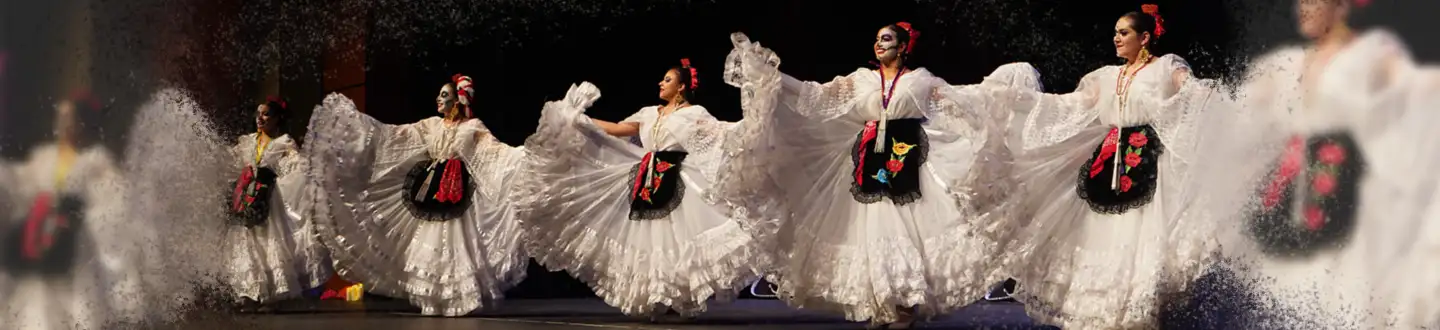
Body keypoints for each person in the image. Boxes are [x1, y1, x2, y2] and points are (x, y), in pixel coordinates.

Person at [721, 23, 1040, 328]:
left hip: (909, 158)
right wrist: (770, 76)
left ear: (903, 47)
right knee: (871, 232)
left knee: (906, 229)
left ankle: (904, 304)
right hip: (869, 162)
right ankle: (881, 305)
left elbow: (961, 101)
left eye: (886, 39)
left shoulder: (920, 80)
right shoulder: (861, 80)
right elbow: (814, 96)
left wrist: (1003, 89)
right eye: (876, 39)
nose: (879, 44)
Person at [1179, 0, 1440, 328]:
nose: (1303, 9)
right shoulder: (1288, 63)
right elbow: (1243, 113)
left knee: (1339, 290)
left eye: (1313, 1)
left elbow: (1416, 89)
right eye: (1301, 2)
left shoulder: (1372, 54)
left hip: (1349, 193)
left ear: (1341, 7)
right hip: (1290, 192)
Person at [998, 5, 1225, 329]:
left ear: (1144, 37)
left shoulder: (1165, 67)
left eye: (1124, 33)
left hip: (1148, 167)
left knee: (1140, 250)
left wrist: (1206, 91)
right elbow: (1070, 104)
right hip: (1105, 171)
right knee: (1101, 245)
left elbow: (1188, 88)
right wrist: (1020, 101)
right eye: (1115, 32)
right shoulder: (1107, 76)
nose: (1116, 38)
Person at [514, 59, 768, 320]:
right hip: (648, 180)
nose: (661, 83)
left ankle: (675, 293)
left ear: (681, 87)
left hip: (679, 179)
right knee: (649, 239)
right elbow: (617, 129)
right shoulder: (649, 113)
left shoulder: (695, 114)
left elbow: (721, 134)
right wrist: (580, 120)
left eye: (667, 80)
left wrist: (752, 124)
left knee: (676, 237)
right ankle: (656, 295)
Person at [303, 74, 528, 316]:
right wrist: (357, 128)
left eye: (445, 95)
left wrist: (524, 156)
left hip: (456, 194)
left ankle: (458, 300)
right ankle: (433, 300)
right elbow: (396, 135)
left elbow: (494, 152)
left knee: (454, 245)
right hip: (430, 191)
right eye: (439, 95)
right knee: (430, 245)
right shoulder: (432, 125)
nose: (438, 99)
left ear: (458, 100)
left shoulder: (472, 127)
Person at [0, 90, 145, 329]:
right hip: (37, 247)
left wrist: (74, 217)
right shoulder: (44, 156)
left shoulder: (98, 164)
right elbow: (22, 189)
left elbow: (112, 210)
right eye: (60, 117)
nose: (62, 124)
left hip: (73, 253)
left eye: (68, 118)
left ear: (82, 123)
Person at [216, 97, 333, 311]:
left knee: (269, 244)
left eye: (266, 114)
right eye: (259, 113)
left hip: (269, 200)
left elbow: (297, 167)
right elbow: (230, 163)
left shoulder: (284, 142)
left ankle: (272, 295)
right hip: (246, 199)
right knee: (246, 244)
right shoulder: (247, 141)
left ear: (278, 118)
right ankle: (248, 294)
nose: (260, 118)